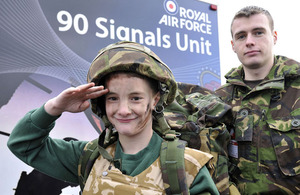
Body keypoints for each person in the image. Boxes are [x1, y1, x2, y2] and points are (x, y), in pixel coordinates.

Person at [7, 41, 219, 195]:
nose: (123, 110)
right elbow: (23, 144)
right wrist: (54, 107)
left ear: (155, 100)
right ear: (102, 103)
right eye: (113, 98)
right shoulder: (87, 158)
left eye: (135, 98)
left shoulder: (187, 167)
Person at [215, 6, 300, 194]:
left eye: (258, 32)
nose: (250, 42)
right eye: (241, 36)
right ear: (233, 45)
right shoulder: (219, 100)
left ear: (274, 37)